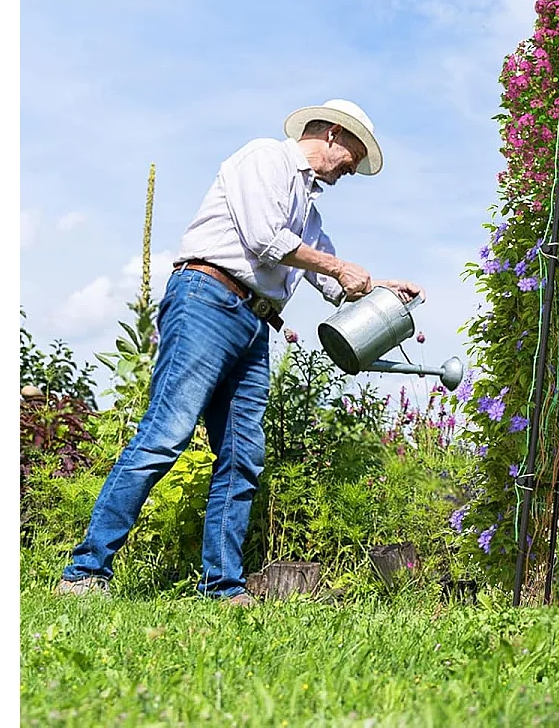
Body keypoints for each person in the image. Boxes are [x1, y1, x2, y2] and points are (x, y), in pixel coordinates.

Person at [56, 99, 423, 605]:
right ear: (333, 135)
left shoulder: (310, 211)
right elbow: (266, 239)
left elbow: (330, 280)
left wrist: (379, 287)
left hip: (254, 323)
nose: (351, 171)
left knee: (242, 456)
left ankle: (223, 587)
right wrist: (340, 268)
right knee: (165, 435)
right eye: (353, 158)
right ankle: (84, 572)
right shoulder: (265, 159)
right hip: (207, 300)